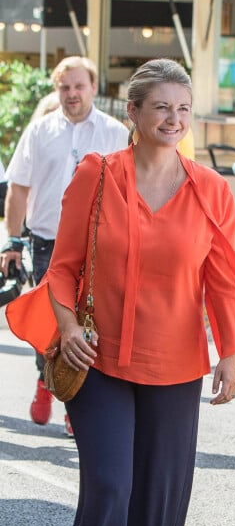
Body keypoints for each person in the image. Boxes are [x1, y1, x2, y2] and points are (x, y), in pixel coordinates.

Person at [6, 58, 235, 526]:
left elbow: (224, 280)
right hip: (101, 360)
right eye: (160, 107)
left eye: (182, 107)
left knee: (160, 507)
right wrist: (66, 328)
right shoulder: (99, 174)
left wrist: (231, 353)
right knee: (111, 491)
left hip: (176, 366)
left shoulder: (211, 190)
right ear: (134, 115)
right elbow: (61, 268)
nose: (173, 119)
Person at [0, 56, 128, 436]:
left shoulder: (115, 132)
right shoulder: (39, 131)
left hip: (99, 244)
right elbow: (18, 188)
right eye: (64, 88)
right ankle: (46, 380)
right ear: (57, 91)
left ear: (92, 88)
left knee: (92, 323)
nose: (72, 94)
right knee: (50, 325)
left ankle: (76, 402)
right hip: (47, 243)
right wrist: (12, 240)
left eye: (78, 86)